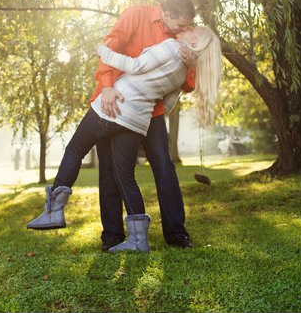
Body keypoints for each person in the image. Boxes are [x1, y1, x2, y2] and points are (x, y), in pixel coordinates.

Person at [27, 25, 222, 253]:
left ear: (196, 42)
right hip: (137, 120)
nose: (187, 29)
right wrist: (141, 104)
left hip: (114, 106)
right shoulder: (182, 73)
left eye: (192, 30)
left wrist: (103, 51)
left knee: (75, 149)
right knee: (125, 176)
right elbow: (166, 105)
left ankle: (53, 212)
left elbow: (136, 65)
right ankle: (138, 240)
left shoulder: (170, 47)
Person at [94, 0, 198, 251]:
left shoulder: (180, 39)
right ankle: (112, 236)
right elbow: (110, 47)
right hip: (116, 102)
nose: (184, 30)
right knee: (110, 169)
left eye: (187, 27)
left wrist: (191, 64)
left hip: (151, 112)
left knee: (164, 167)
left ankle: (176, 234)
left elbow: (186, 85)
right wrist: (106, 86)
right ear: (166, 13)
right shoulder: (135, 15)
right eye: (181, 25)